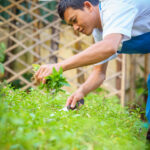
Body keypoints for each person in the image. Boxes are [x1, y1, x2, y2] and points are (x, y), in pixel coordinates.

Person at [35, 0, 150, 134]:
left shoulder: (116, 6)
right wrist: (81, 91)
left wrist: (60, 66)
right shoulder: (100, 32)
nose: (75, 28)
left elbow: (109, 47)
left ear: (88, 6)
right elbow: (99, 73)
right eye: (71, 25)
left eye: (74, 20)